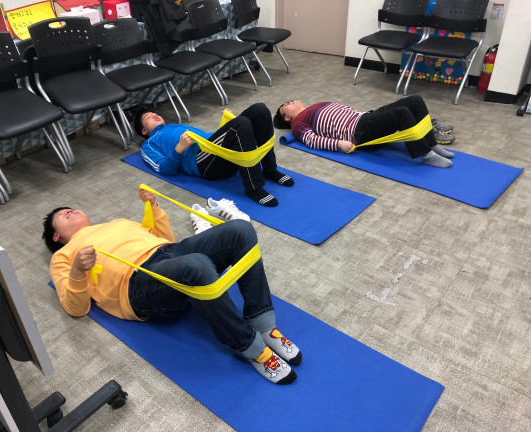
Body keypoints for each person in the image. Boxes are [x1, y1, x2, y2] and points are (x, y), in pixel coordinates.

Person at [42, 186, 301, 385]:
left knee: (241, 230)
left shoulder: (117, 223)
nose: (68, 211)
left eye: (70, 208)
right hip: (136, 282)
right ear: (56, 236)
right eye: (61, 215)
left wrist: (153, 208)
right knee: (197, 265)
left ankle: (263, 324)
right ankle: (249, 346)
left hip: (168, 253)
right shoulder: (63, 256)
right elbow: (75, 308)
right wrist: (77, 270)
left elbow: (166, 240)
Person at [134, 103, 293, 207]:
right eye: (148, 117)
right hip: (203, 163)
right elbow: (163, 169)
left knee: (260, 110)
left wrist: (226, 125)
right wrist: (179, 149)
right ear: (144, 131)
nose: (154, 115)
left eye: (154, 113)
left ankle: (270, 170)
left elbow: (208, 138)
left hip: (213, 150)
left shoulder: (175, 126)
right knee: (241, 124)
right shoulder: (149, 145)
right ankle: (253, 187)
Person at [273, 95, 456, 168]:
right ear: (287, 118)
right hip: (359, 132)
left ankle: (431, 143)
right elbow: (311, 140)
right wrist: (339, 144)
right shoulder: (298, 123)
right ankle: (426, 154)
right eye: (285, 105)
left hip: (365, 117)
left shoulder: (313, 107)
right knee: (402, 113)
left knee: (415, 101)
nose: (289, 101)